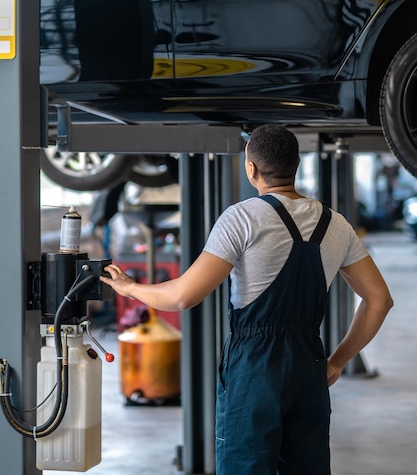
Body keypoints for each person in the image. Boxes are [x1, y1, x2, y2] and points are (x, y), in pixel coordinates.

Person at [100, 124, 393, 475]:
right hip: (309, 364)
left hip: (255, 369)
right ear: (297, 163)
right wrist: (337, 361)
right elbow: (379, 300)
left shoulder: (242, 218)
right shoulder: (336, 224)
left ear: (250, 168)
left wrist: (130, 288)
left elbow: (182, 296)